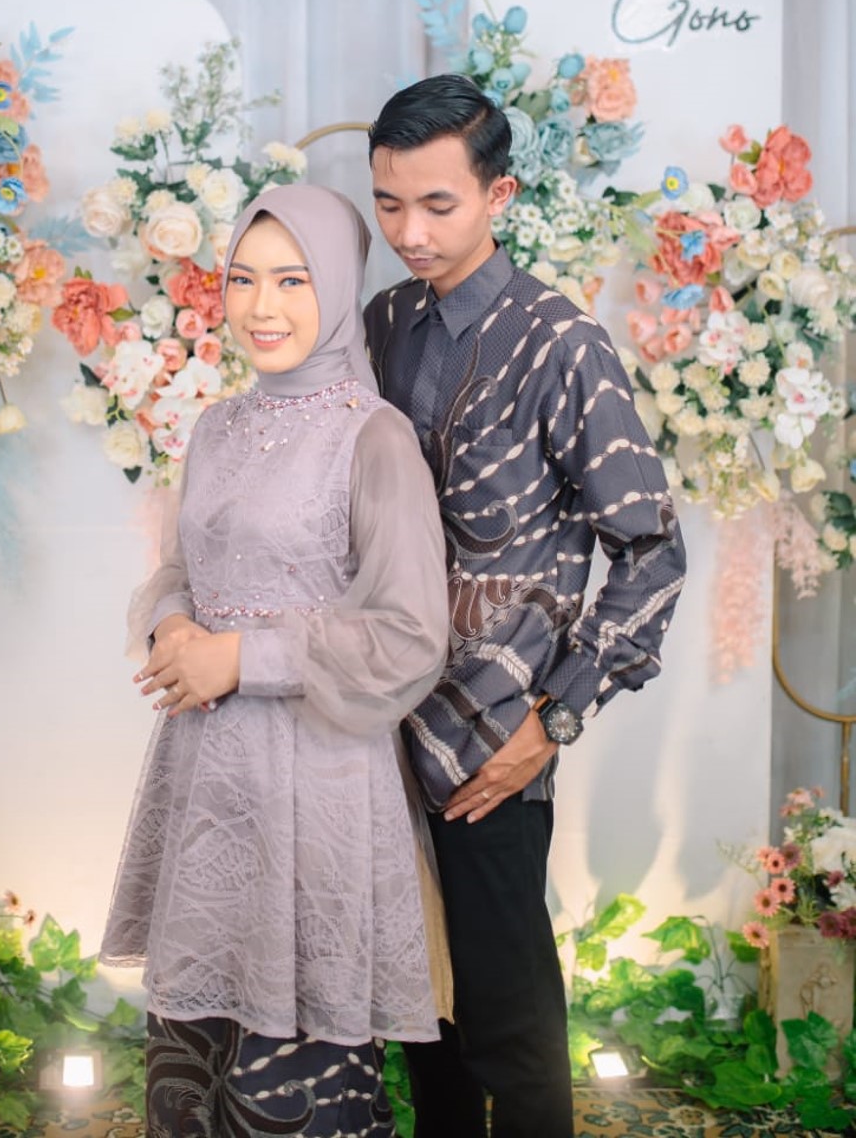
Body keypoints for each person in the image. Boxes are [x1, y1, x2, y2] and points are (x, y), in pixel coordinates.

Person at [363, 74, 688, 1138]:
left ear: (499, 195)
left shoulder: (562, 343)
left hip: (493, 738)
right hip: (376, 723)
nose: (410, 232)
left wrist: (553, 722)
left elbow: (651, 551)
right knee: (420, 1008)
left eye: (437, 204)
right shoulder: (383, 323)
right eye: (389, 203)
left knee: (509, 1022)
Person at [101, 182, 450, 1137]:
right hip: (207, 775)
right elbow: (181, 567)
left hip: (318, 782)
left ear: (337, 286)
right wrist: (172, 625)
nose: (263, 307)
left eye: (294, 280)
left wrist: (241, 660)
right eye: (244, 279)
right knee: (196, 1065)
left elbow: (411, 634)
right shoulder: (217, 427)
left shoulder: (374, 437)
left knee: (293, 1082)